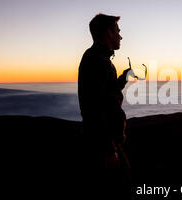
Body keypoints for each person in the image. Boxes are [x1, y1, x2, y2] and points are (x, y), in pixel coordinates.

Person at [78, 13, 130, 170]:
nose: (120, 37)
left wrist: (124, 77)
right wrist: (108, 149)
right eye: (117, 31)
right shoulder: (97, 61)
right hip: (104, 147)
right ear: (108, 33)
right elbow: (94, 108)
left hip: (106, 143)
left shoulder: (98, 58)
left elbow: (107, 92)